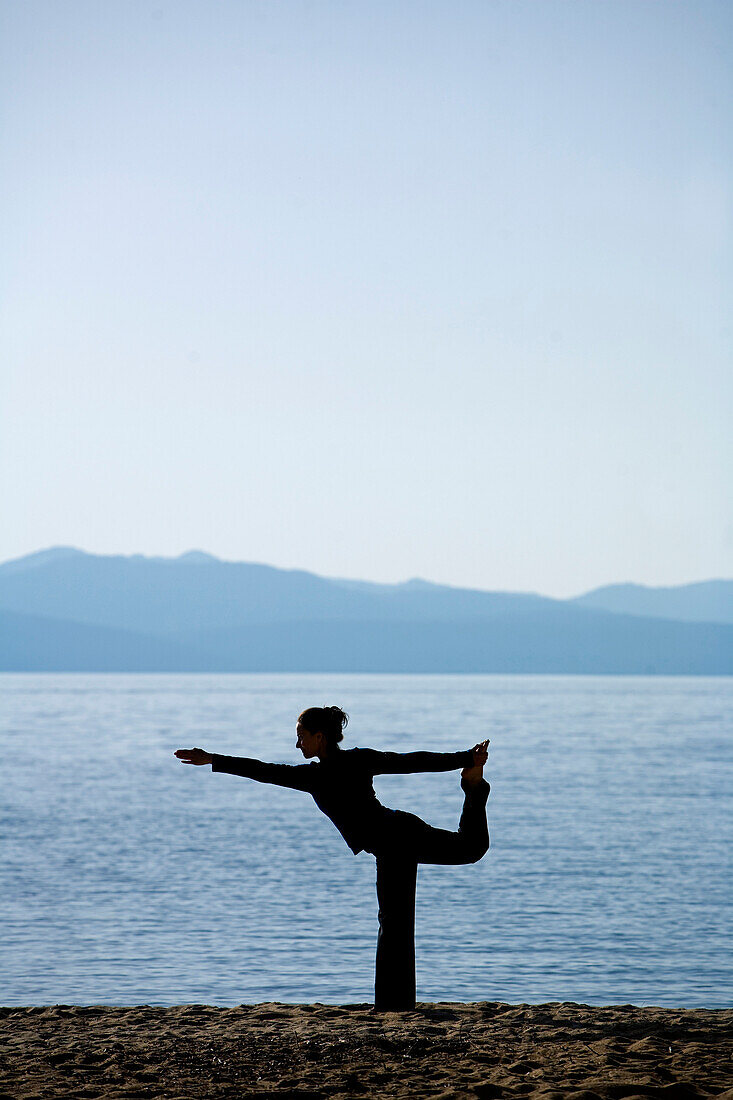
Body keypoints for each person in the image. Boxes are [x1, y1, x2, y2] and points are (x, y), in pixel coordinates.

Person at [175, 705, 490, 1011]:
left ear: (319, 737)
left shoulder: (353, 762)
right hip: (390, 842)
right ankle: (395, 1006)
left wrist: (464, 757)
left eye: (301, 736)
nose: (297, 743)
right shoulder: (317, 775)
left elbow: (409, 762)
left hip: (399, 835)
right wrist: (213, 760)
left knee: (445, 873)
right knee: (396, 920)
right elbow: (262, 771)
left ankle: (473, 784)